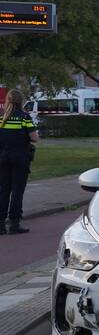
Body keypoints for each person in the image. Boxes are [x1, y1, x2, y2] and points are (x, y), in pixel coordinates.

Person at [0, 89, 39, 235]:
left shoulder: (1, 117)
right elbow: (34, 138)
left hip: (3, 157)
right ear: (20, 100)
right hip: (20, 158)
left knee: (3, 191)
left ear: (8, 100)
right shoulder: (24, 117)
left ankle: (0, 225)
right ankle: (14, 224)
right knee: (17, 191)